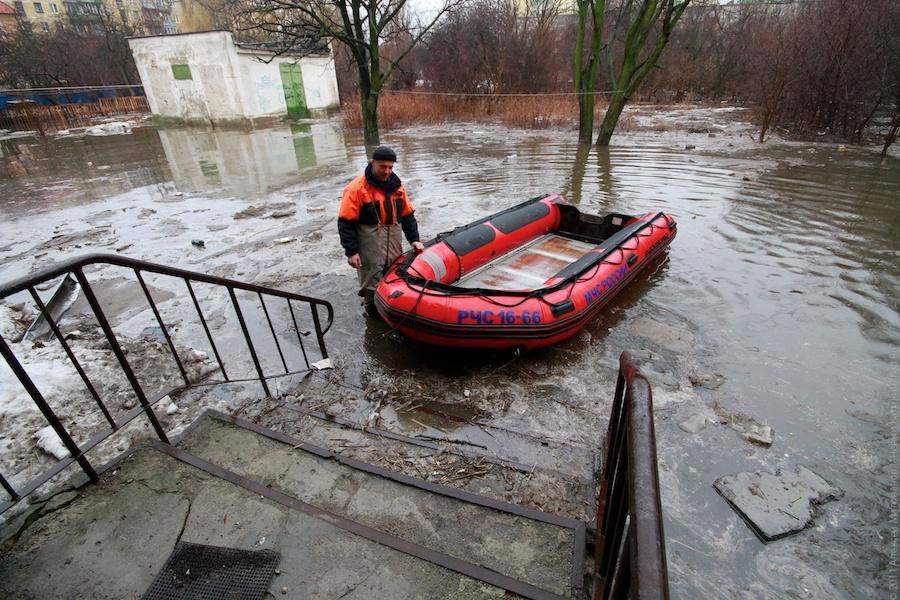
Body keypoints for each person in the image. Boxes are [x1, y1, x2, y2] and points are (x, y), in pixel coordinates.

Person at [338, 146, 424, 316]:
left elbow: (407, 216)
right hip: (369, 243)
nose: (387, 171)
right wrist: (351, 252)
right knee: (372, 280)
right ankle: (371, 313)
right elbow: (346, 223)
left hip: (393, 240)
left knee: (395, 274)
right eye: (382, 166)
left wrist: (414, 239)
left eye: (390, 167)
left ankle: (393, 309)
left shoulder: (398, 187)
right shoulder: (356, 188)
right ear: (373, 163)